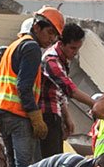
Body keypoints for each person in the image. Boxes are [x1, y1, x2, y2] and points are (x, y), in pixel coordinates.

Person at [0, 7, 64, 167]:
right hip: (16, 113)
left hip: (1, 112)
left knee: (13, 166)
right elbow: (24, 86)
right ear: (36, 27)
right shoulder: (31, 47)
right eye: (50, 32)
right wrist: (36, 117)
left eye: (55, 36)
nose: (51, 39)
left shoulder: (16, 44)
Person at [37, 22, 100, 159]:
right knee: (50, 160)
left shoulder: (63, 60)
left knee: (55, 156)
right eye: (72, 48)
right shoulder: (51, 61)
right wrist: (96, 105)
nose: (75, 53)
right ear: (61, 43)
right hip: (46, 115)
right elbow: (72, 91)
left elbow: (60, 93)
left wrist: (66, 117)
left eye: (77, 49)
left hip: (54, 114)